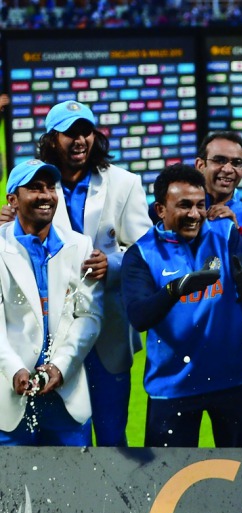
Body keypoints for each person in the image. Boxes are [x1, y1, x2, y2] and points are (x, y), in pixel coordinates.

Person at [122, 164, 242, 448]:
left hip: (235, 381)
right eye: (184, 205)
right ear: (160, 209)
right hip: (172, 388)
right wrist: (175, 289)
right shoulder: (141, 254)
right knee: (168, 476)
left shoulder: (225, 234)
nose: (195, 214)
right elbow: (139, 317)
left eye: (201, 205)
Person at [36, 99, 151, 446]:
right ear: (52, 139)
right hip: (51, 332)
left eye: (85, 131)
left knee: (113, 436)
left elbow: (145, 251)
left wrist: (112, 264)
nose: (79, 140)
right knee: (66, 439)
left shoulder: (124, 183)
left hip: (108, 329)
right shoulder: (36, 185)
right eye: (69, 133)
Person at [0, 159, 101, 445]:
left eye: (50, 187)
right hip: (9, 396)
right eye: (35, 187)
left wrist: (61, 366)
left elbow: (90, 316)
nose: (46, 195)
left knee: (74, 476)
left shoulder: (80, 245)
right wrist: (14, 369)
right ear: (13, 200)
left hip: (66, 397)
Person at [194, 130, 242, 278]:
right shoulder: (174, 209)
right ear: (200, 165)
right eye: (219, 160)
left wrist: (235, 236)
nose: (228, 169)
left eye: (236, 163)